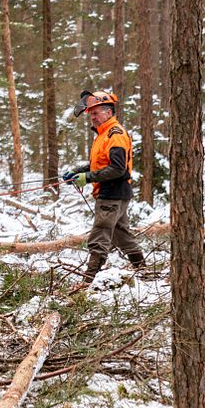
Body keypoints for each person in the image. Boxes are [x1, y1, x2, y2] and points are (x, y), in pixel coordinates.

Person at [63, 90, 146, 285]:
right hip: (116, 192)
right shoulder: (103, 134)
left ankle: (88, 280)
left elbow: (118, 169)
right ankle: (143, 271)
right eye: (91, 113)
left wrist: (88, 177)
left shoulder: (114, 134)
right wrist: (78, 171)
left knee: (100, 235)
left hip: (112, 193)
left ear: (108, 113)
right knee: (122, 235)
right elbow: (101, 164)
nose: (92, 117)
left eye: (95, 113)